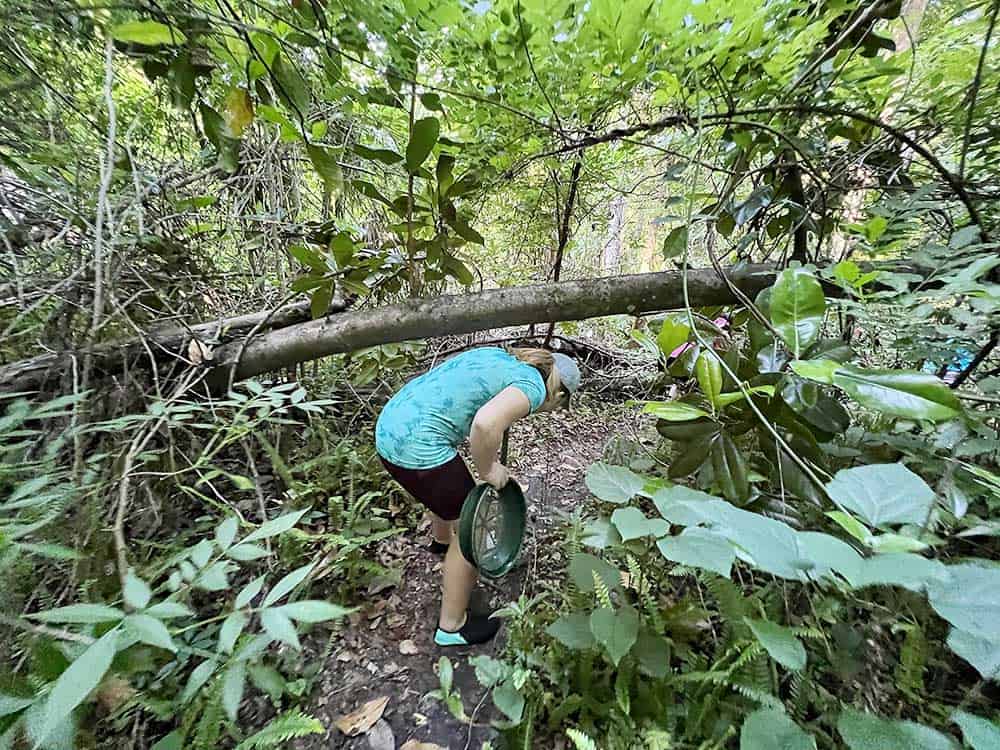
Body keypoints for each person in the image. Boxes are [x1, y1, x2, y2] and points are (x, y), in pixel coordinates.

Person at [375, 347, 581, 647]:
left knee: (451, 491)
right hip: (416, 445)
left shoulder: (501, 359)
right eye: (559, 407)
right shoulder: (533, 387)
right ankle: (451, 626)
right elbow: (485, 423)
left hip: (392, 424)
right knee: (471, 528)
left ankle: (441, 542)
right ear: (559, 396)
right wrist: (488, 469)